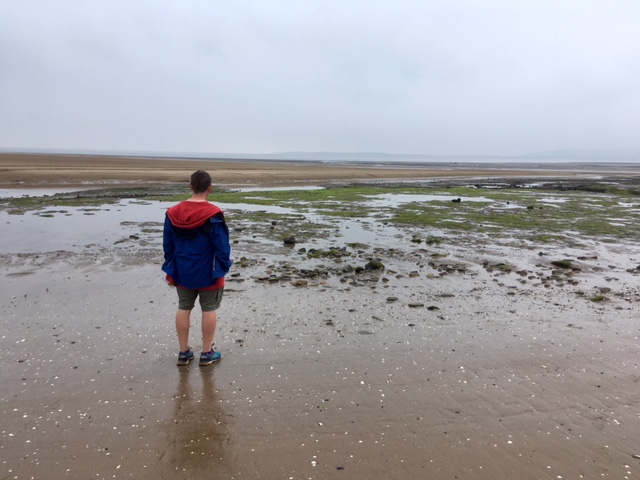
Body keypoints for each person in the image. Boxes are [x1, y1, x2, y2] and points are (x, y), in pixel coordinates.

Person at [162, 170, 232, 366]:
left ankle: (184, 352)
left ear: (191, 186)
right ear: (210, 188)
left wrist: (171, 264)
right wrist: (224, 266)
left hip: (183, 269)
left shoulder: (173, 212)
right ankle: (207, 352)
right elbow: (222, 246)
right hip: (209, 271)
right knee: (209, 309)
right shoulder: (213, 213)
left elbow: (168, 244)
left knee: (184, 307)